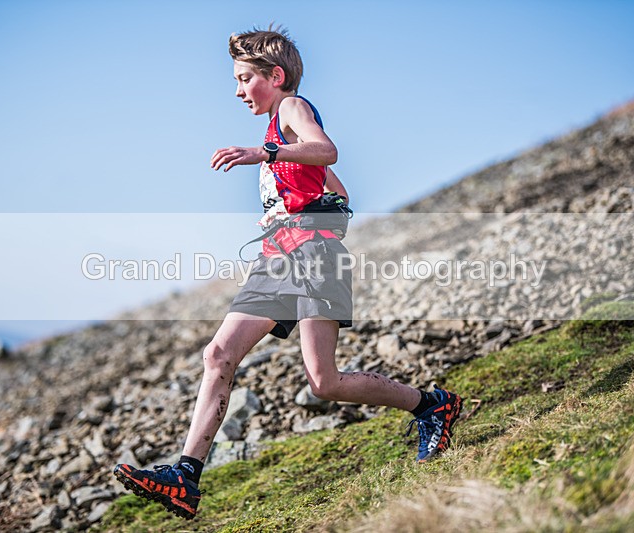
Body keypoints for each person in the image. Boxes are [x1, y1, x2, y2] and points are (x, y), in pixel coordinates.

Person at [113, 26, 462, 520]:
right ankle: (185, 477)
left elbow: (327, 151)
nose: (237, 91)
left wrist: (267, 156)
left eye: (243, 79)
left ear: (274, 76)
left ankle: (431, 404)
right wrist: (305, 210)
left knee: (323, 381)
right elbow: (336, 190)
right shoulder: (278, 125)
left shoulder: (293, 110)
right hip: (279, 256)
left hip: (314, 259)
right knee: (218, 354)